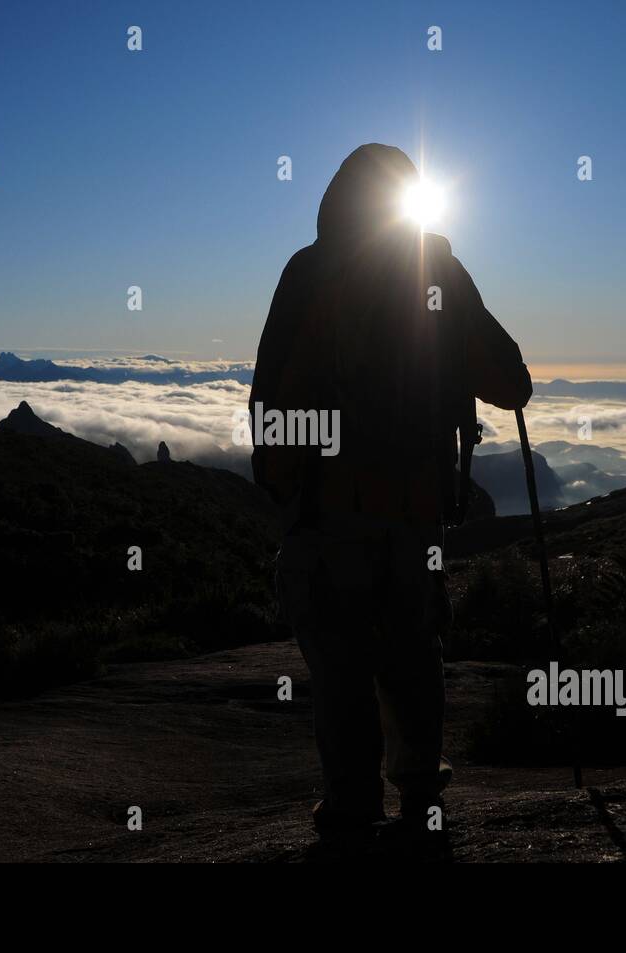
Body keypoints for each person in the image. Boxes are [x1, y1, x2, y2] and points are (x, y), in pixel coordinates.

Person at [250, 143, 532, 842]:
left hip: (329, 512)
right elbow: (511, 384)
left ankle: (350, 811)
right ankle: (419, 804)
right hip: (415, 516)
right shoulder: (436, 267)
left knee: (342, 668)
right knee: (412, 656)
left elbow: (270, 405)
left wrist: (290, 496)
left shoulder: (308, 272)